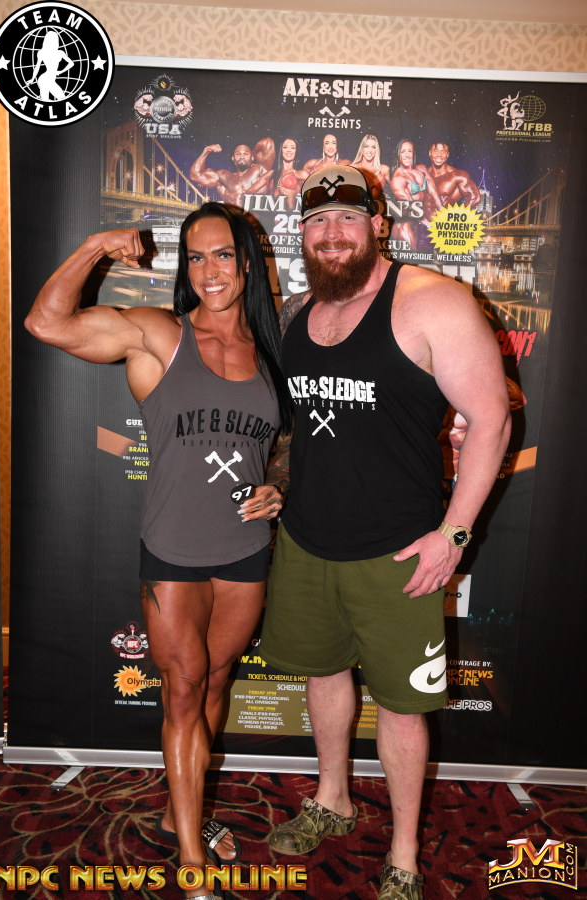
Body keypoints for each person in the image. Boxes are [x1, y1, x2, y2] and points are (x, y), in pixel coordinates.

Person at [25, 202, 291, 900]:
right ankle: (191, 857)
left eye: (224, 255)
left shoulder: (271, 351)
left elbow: (282, 447)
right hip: (173, 552)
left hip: (245, 551)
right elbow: (46, 323)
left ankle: (182, 811)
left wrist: (278, 488)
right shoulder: (159, 335)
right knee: (182, 689)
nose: (210, 270)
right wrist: (94, 246)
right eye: (196, 257)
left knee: (215, 685)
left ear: (248, 263)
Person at [258, 166, 511, 899]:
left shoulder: (433, 301)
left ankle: (402, 854)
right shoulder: (299, 314)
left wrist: (453, 536)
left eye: (347, 217)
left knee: (402, 708)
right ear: (301, 234)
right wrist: (277, 485)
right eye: (317, 221)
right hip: (307, 541)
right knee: (323, 674)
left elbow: (492, 420)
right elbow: (301, 428)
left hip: (399, 550)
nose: (331, 233)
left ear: (379, 226)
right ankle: (332, 797)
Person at [389, 139, 442, 250]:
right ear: (398, 155)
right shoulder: (398, 178)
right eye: (403, 151)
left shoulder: (421, 169)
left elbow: (435, 194)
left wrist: (444, 217)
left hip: (421, 225)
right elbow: (411, 209)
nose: (407, 155)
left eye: (410, 151)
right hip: (405, 228)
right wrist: (428, 225)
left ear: (413, 153)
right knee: (412, 258)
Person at [189, 140, 275, 207]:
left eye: (246, 154)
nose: (242, 157)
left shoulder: (259, 170)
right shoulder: (223, 176)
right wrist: (206, 150)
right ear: (233, 158)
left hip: (256, 221)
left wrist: (253, 154)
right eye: (238, 154)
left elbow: (268, 142)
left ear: (252, 157)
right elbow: (195, 176)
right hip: (232, 220)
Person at [420, 142, 480, 216]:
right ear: (430, 153)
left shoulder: (457, 176)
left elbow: (475, 197)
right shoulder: (421, 174)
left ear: (447, 154)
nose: (439, 155)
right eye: (436, 151)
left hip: (442, 222)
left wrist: (456, 217)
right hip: (421, 221)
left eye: (443, 151)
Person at [249, 137, 308, 210]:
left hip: (291, 214)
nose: (289, 150)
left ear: (296, 151)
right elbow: (249, 191)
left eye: (293, 148)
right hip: (272, 214)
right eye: (285, 147)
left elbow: (314, 196)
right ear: (281, 150)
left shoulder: (301, 174)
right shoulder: (271, 174)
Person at [352, 133, 390, 200]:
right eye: (366, 146)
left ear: (376, 150)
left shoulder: (384, 169)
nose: (370, 150)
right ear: (362, 149)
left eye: (373, 147)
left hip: (378, 205)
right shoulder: (353, 168)